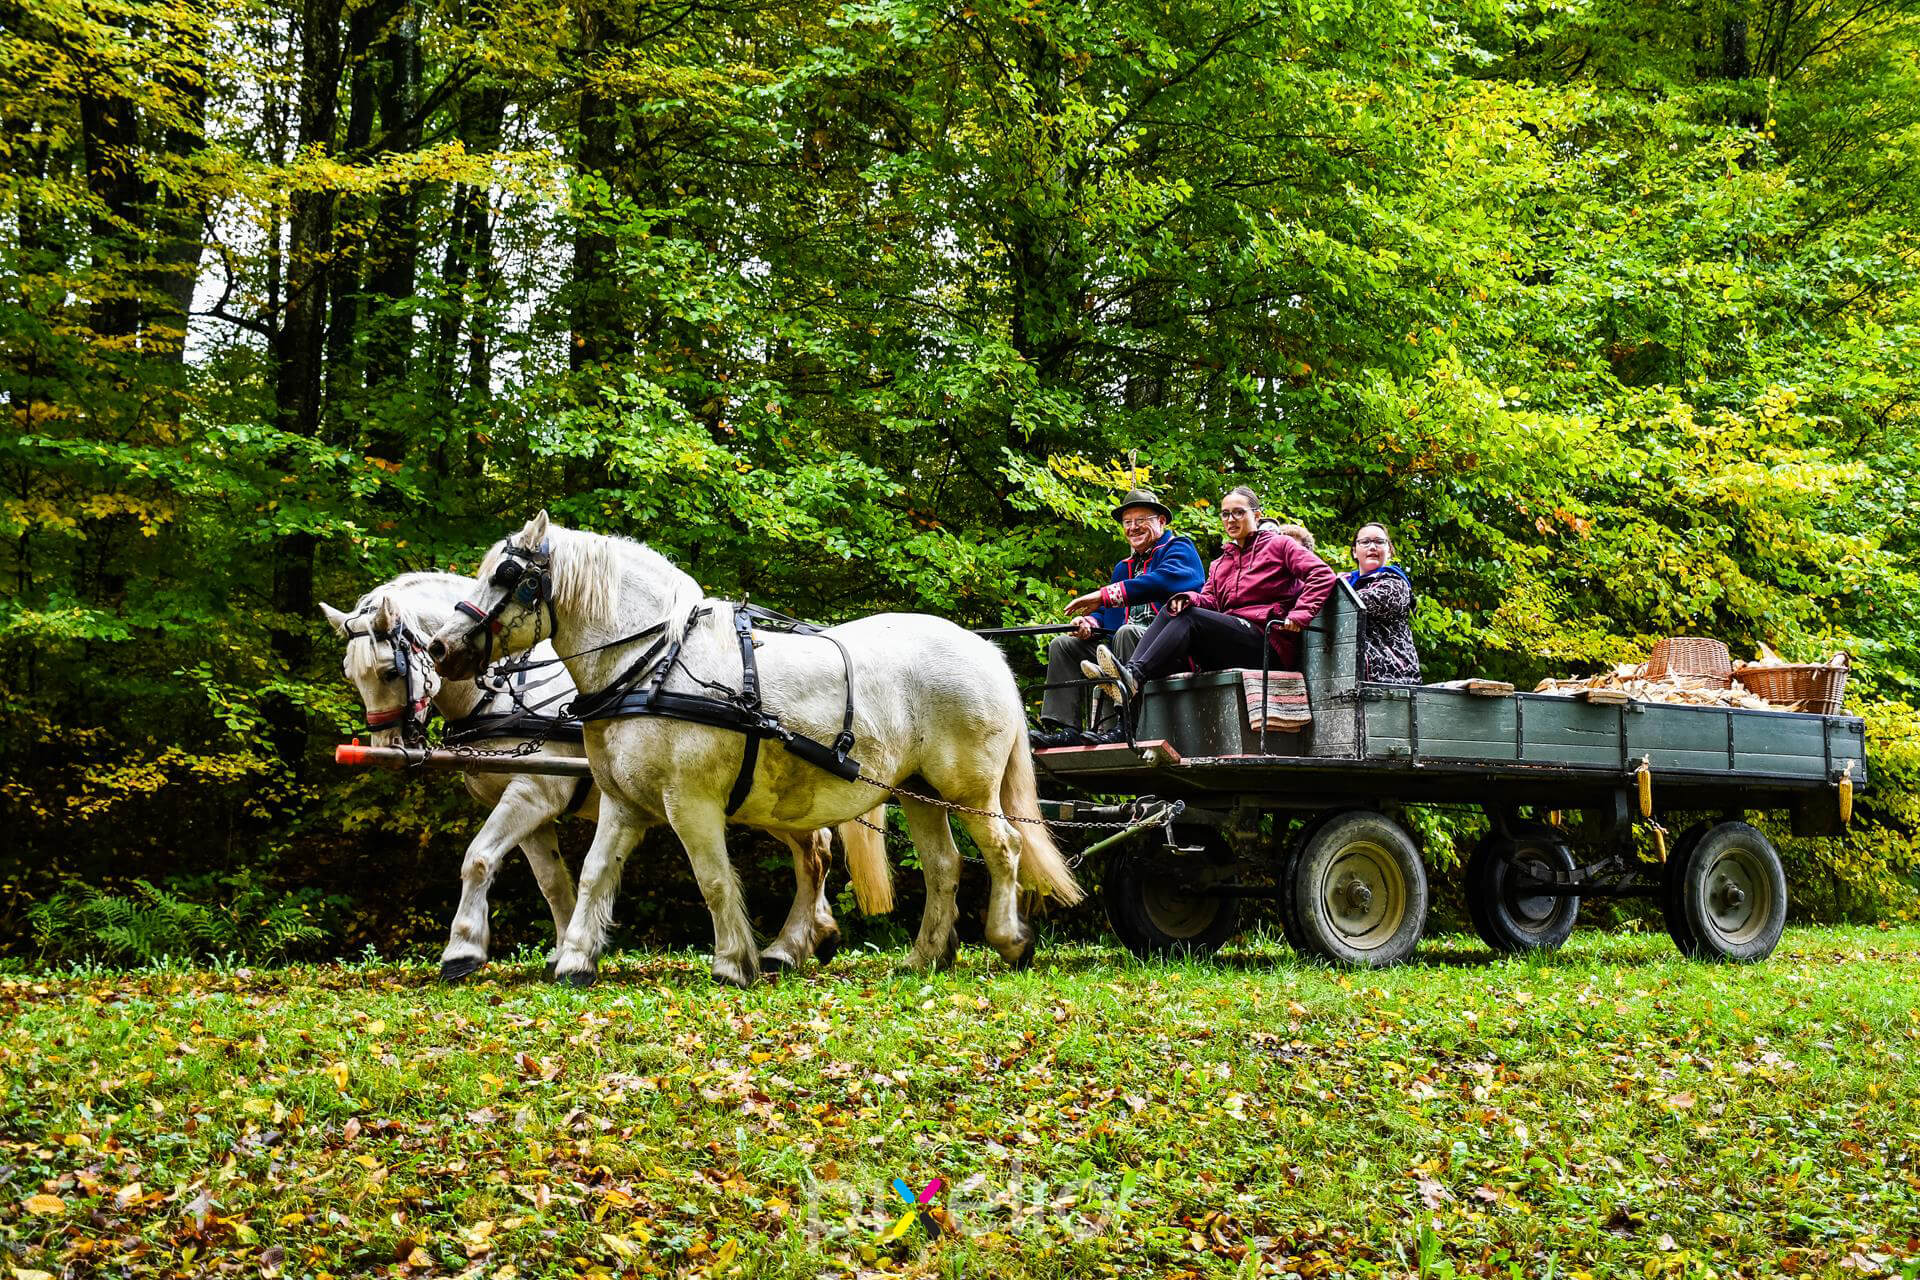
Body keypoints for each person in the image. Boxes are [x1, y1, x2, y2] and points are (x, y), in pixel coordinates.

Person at [1085, 486, 1337, 706]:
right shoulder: (1220, 562)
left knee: (1190, 618)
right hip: (1231, 640)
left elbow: (1322, 574)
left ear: (1256, 516)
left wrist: (1300, 613)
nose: (1231, 519)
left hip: (1266, 639)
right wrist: (1188, 598)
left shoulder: (1280, 546)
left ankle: (1133, 677)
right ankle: (1127, 675)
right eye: (1226, 514)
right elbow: (1210, 601)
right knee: (1173, 609)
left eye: (1239, 512)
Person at [1029, 488, 1205, 748]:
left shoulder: (1179, 549)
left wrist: (1107, 594)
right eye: (1127, 522)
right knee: (1063, 646)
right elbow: (1109, 611)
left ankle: (1126, 724)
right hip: (1120, 649)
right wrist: (1091, 622)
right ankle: (1065, 728)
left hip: (1167, 651)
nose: (1133, 528)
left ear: (1162, 522)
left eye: (1141, 520)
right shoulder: (1124, 567)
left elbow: (1163, 581)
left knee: (1127, 632)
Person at [1347, 522, 1421, 684]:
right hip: (1350, 677)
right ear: (1354, 552)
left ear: (1389, 551)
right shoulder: (1345, 583)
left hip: (1392, 677)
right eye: (1365, 542)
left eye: (1379, 542)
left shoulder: (1395, 584)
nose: (1372, 547)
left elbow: (1355, 603)